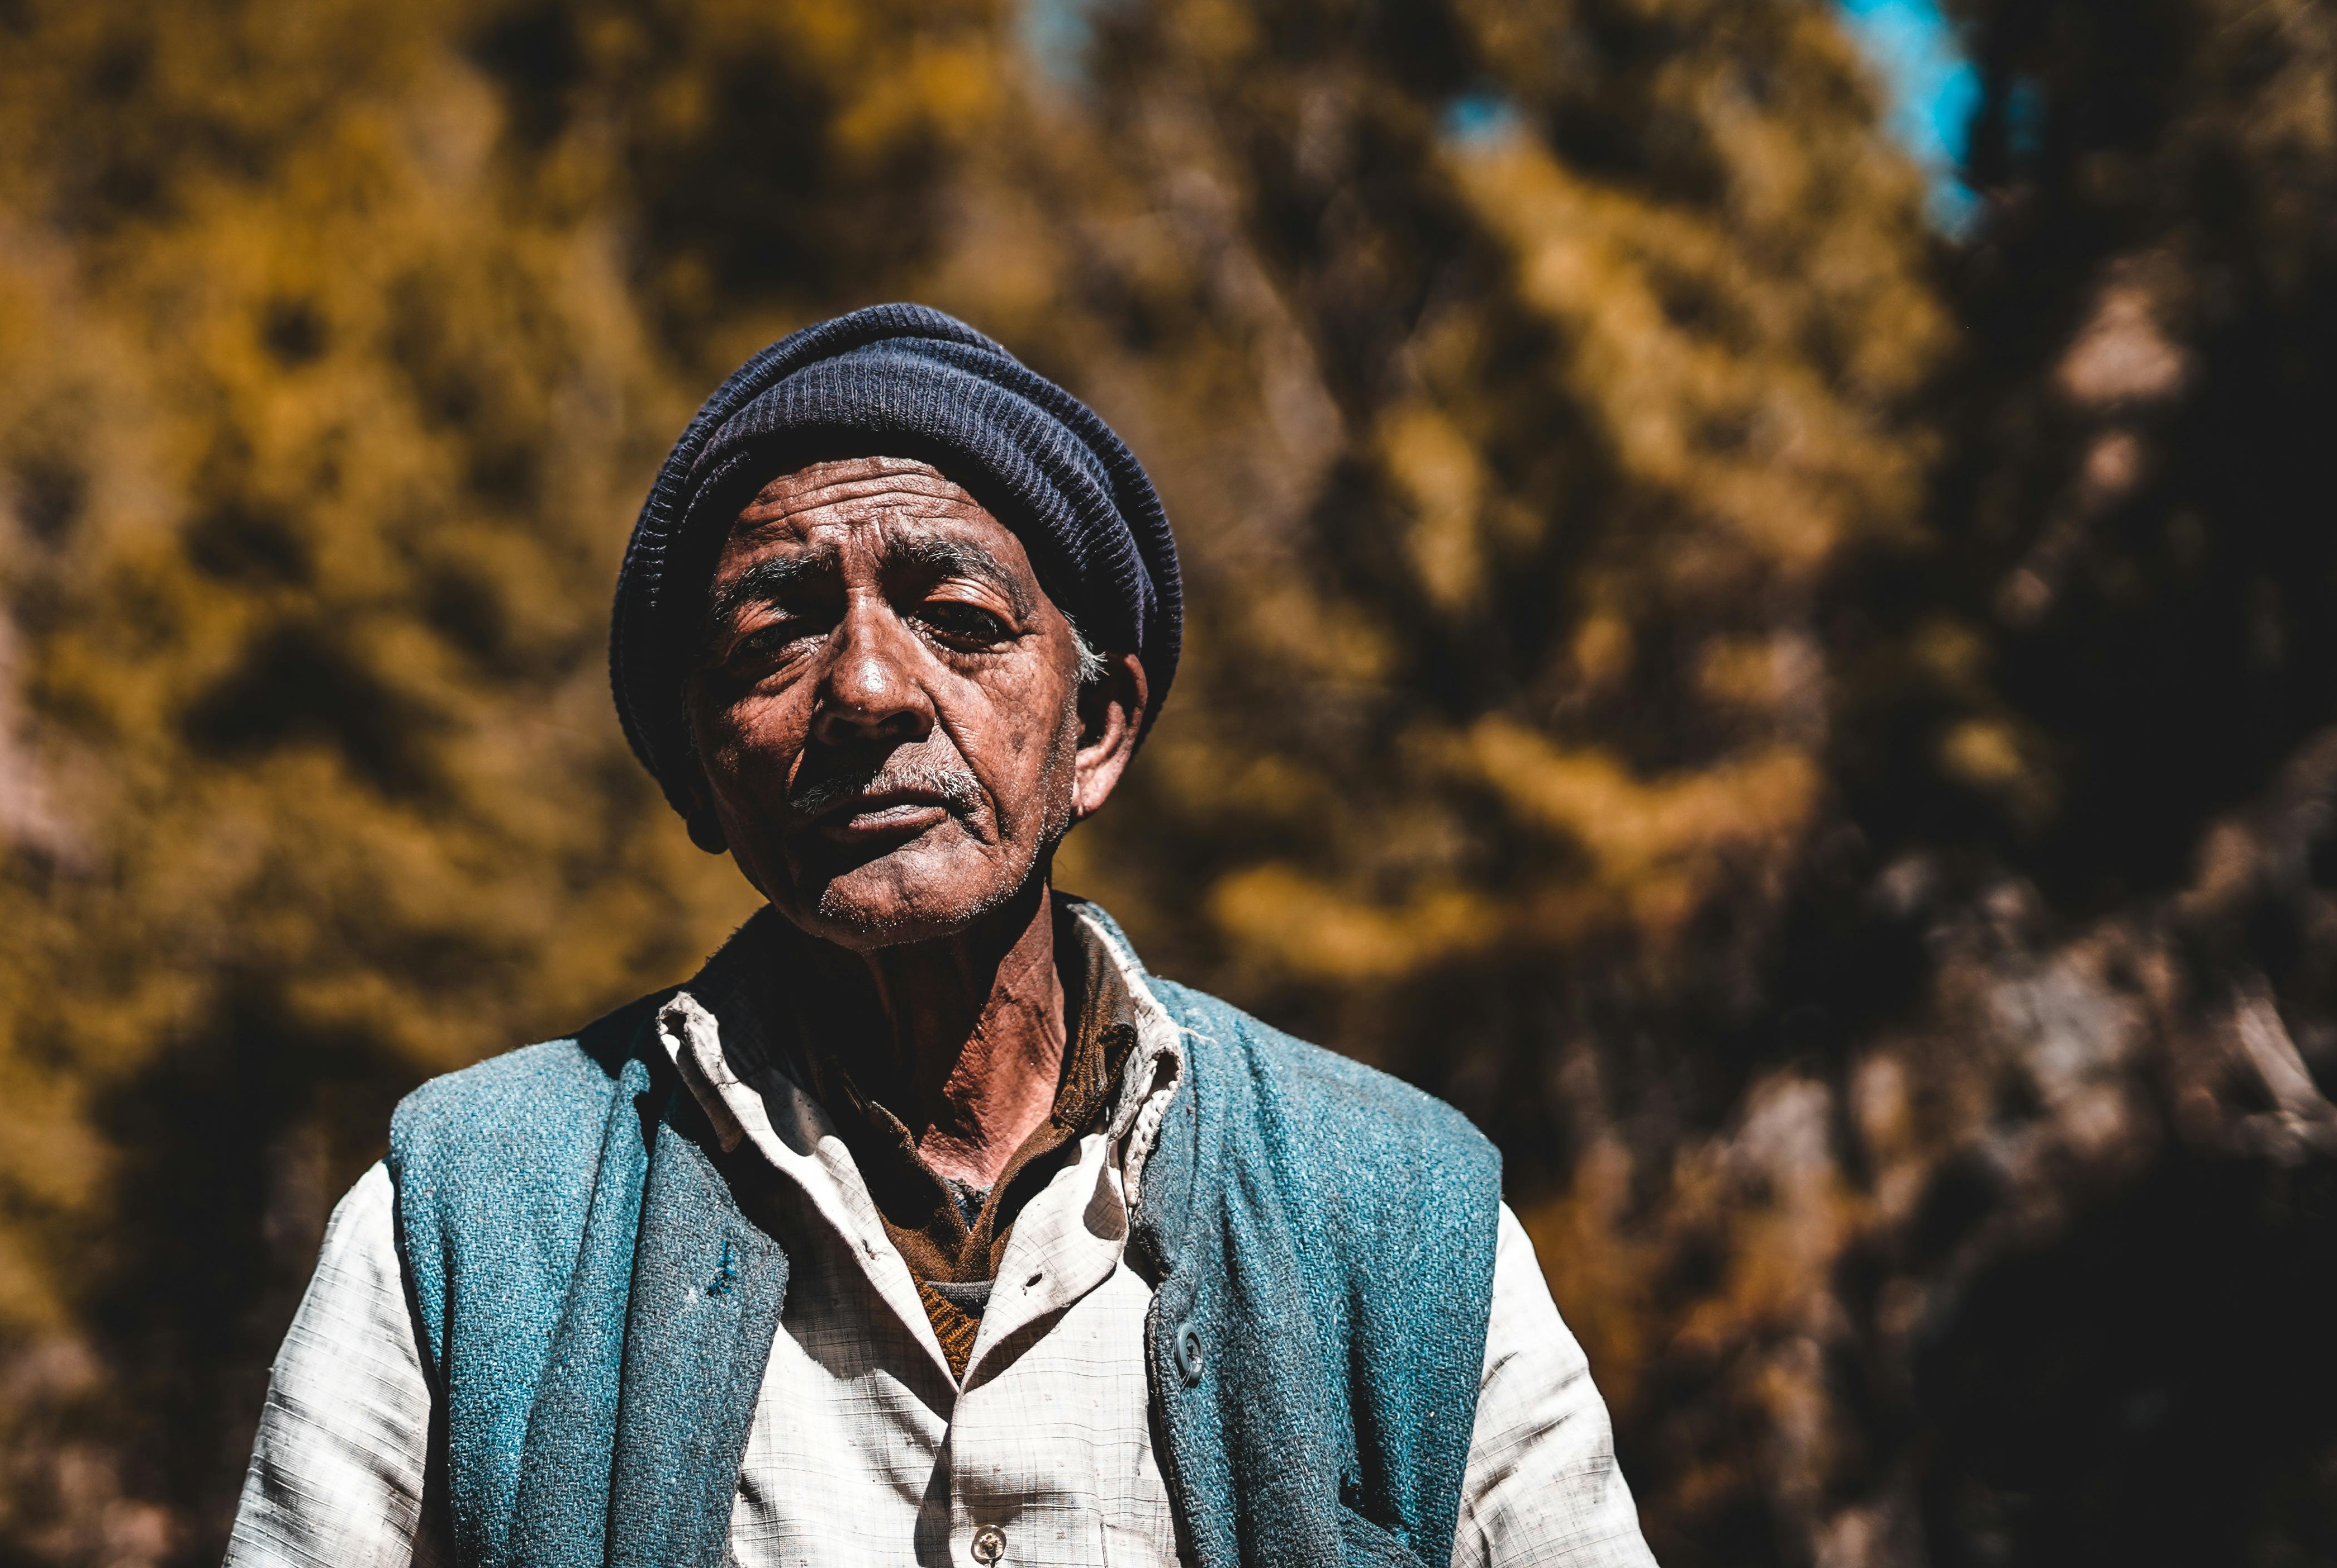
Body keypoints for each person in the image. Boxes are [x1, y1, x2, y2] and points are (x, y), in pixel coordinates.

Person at [227, 305, 1655, 1568]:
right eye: (771, 636)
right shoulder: (465, 1220)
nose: (864, 686)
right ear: (699, 771)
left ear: (1095, 730)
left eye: (957, 615)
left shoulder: (1397, 1216)